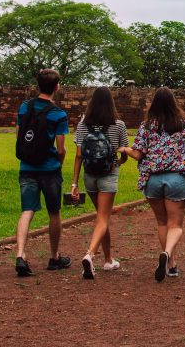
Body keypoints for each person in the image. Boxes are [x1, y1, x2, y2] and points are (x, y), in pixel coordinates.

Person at [118, 87, 185, 282]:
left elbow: (138, 154)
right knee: (175, 225)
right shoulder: (183, 121)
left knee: (162, 223)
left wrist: (125, 149)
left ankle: (171, 264)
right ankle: (168, 254)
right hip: (177, 178)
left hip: (152, 179)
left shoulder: (146, 125)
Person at [14, 69, 72, 277]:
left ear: (37, 85)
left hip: (27, 167)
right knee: (54, 212)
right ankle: (55, 257)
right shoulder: (58, 114)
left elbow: (20, 135)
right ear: (57, 87)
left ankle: (20, 255)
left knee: (27, 210)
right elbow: (61, 149)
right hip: (49, 169)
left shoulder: (24, 107)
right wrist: (59, 164)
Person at [71, 87, 129, 279]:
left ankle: (108, 259)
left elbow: (79, 155)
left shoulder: (83, 125)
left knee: (102, 217)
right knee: (103, 218)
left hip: (89, 176)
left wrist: (74, 183)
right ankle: (90, 255)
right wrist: (119, 162)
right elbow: (124, 152)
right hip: (108, 174)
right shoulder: (118, 125)